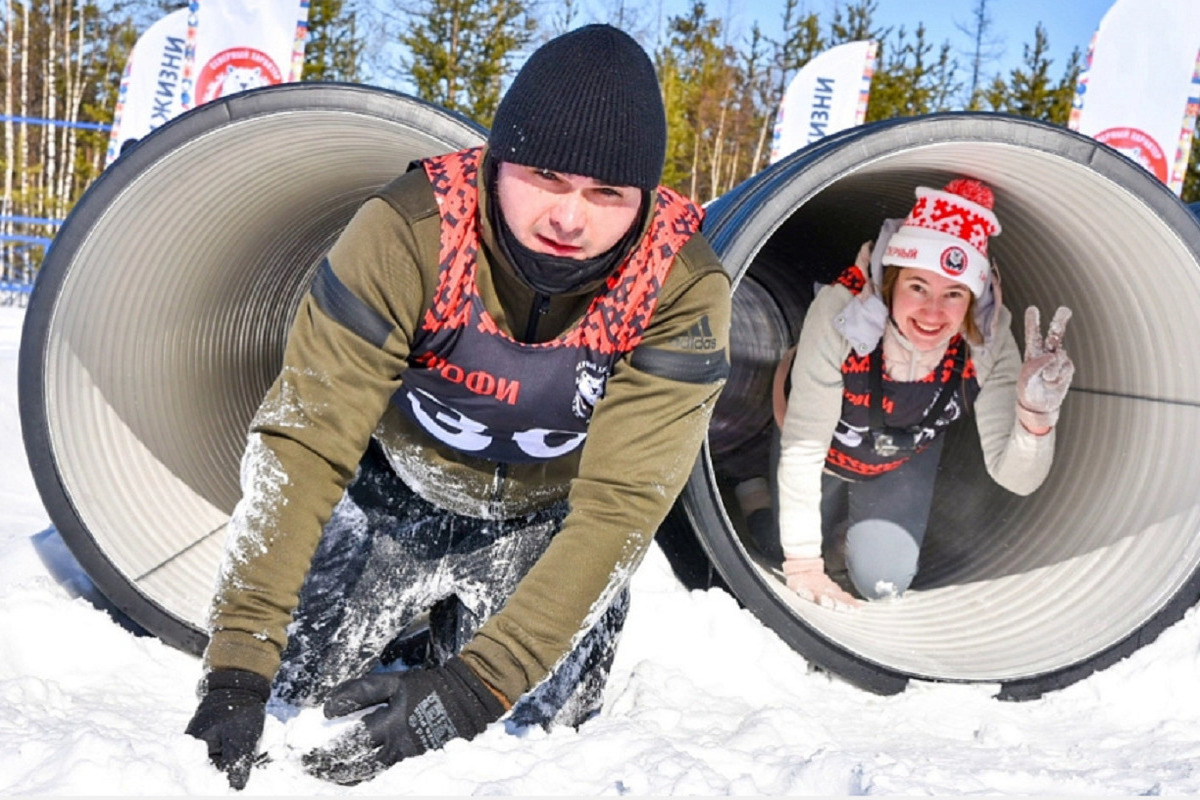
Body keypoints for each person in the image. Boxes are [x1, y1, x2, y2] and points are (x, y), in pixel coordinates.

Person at [183, 24, 732, 789]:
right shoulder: (412, 232)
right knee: (299, 693)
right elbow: (307, 443)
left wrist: (471, 693)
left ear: (644, 198)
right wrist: (239, 662)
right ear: (497, 161)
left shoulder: (679, 286)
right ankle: (409, 627)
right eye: (544, 175)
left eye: (606, 193)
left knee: (543, 732)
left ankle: (458, 645)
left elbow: (623, 506)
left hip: (549, 522)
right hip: (396, 497)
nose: (569, 220)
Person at [774, 178, 1073, 607]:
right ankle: (752, 483)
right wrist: (803, 565)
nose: (933, 312)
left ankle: (854, 533)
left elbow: (1016, 478)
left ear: (972, 299)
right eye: (918, 287)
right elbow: (803, 449)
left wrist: (1034, 418)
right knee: (776, 546)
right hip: (816, 445)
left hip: (898, 457)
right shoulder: (843, 311)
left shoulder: (988, 340)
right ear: (892, 280)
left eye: (953, 294)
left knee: (884, 580)